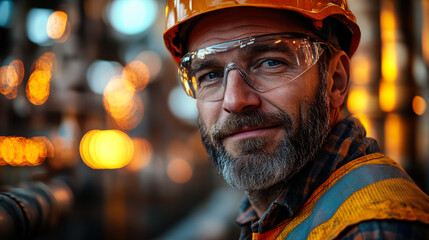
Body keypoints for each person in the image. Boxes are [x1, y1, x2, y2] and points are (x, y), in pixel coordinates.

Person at [163, 1, 429, 239]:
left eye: (270, 62)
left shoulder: (373, 228)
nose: (234, 101)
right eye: (210, 75)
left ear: (335, 80)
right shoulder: (267, 216)